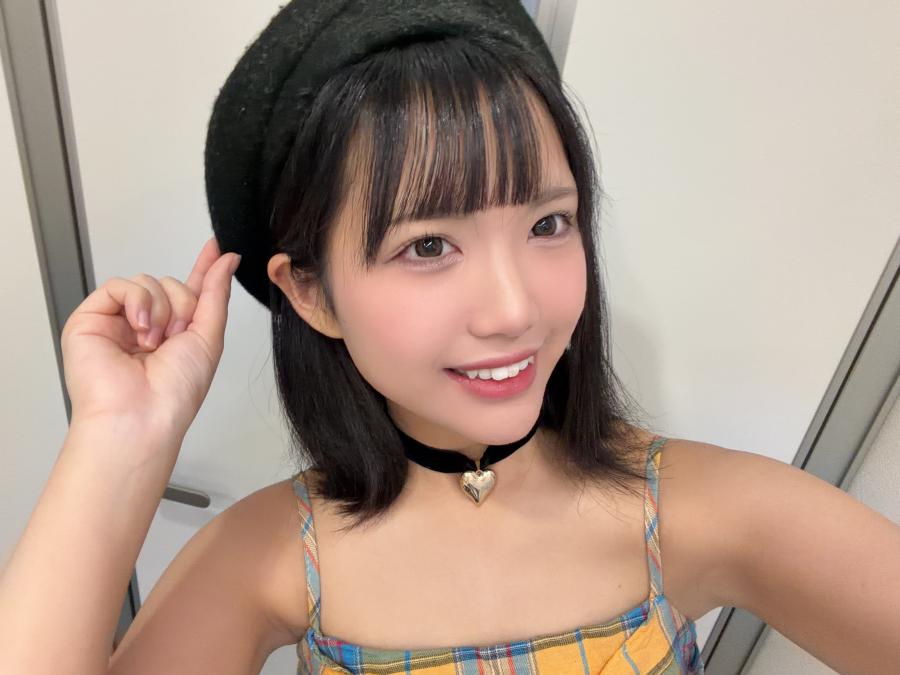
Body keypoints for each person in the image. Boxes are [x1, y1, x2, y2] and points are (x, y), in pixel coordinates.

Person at [2, 1, 899, 673]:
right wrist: (119, 437)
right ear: (310, 292)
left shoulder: (701, 512)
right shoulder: (270, 557)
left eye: (548, 224)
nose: (513, 309)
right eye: (428, 245)